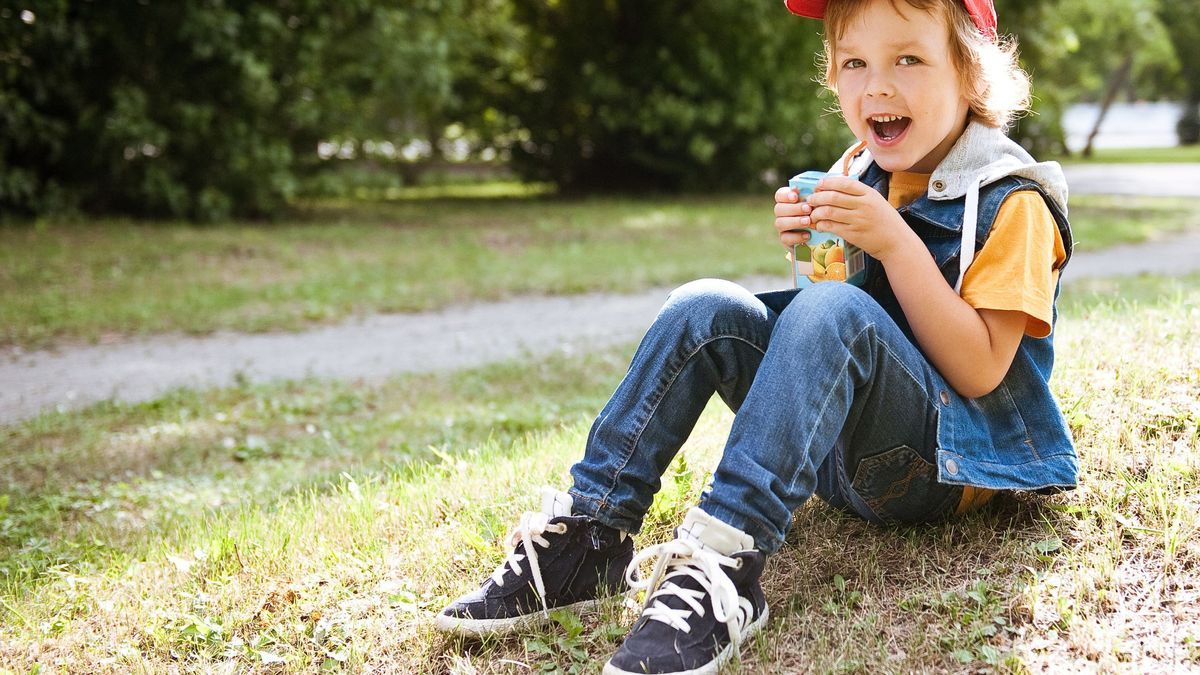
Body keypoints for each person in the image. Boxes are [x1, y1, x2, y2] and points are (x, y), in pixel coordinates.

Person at [434, 0, 1077, 672]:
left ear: (972, 76)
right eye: (855, 62)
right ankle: (589, 538)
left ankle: (724, 564)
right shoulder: (861, 172)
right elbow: (832, 328)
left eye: (908, 59)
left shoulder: (1014, 201)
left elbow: (979, 371)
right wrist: (822, 246)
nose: (877, 85)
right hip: (842, 453)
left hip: (941, 468)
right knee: (703, 306)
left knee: (829, 310)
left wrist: (891, 241)